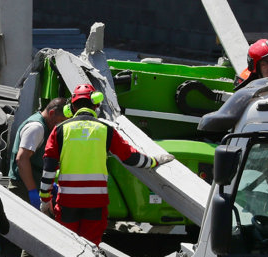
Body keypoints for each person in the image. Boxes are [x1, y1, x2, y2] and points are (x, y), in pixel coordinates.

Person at [39, 83, 174, 246]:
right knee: (90, 248)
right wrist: (154, 161)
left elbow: (49, 167)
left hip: (67, 202)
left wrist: (45, 198)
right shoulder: (106, 130)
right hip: (96, 203)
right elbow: (130, 157)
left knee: (67, 247)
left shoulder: (60, 130)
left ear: (71, 107)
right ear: (96, 105)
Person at [8, 97, 67, 257]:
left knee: (34, 238)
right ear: (51, 113)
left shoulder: (44, 126)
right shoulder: (37, 128)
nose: (61, 125)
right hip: (24, 186)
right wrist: (34, 192)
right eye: (60, 121)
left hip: (30, 185)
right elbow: (22, 159)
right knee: (41, 236)